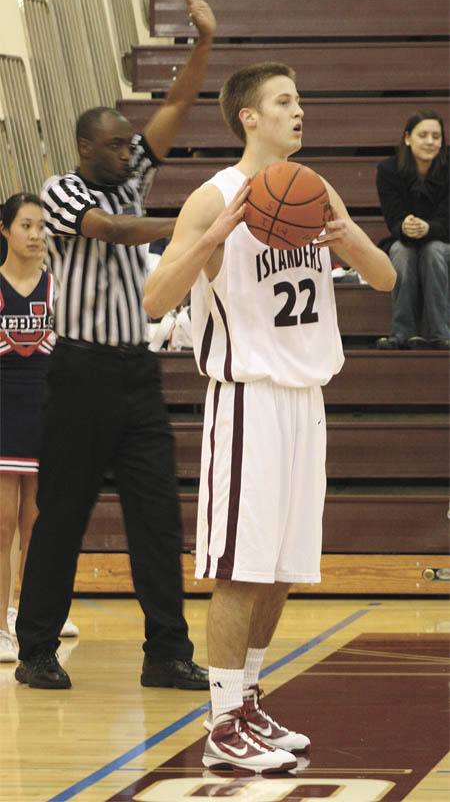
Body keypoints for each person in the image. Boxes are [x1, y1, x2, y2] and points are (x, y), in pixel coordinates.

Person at [143, 62, 396, 773]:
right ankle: (222, 725)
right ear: (248, 117)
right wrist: (211, 236)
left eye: (300, 100)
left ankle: (247, 699)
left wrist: (348, 239)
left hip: (306, 398)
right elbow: (155, 300)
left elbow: (385, 278)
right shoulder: (213, 196)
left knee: (281, 570)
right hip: (249, 397)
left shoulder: (310, 192)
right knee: (241, 569)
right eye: (285, 101)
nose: (300, 110)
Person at [15, 0, 215, 690]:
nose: (128, 151)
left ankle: (166, 652)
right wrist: (194, 224)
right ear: (82, 147)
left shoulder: (129, 174)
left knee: (157, 517)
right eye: (113, 145)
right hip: (78, 374)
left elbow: (179, 104)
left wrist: (205, 41)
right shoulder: (64, 191)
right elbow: (116, 231)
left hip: (135, 374)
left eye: (128, 143)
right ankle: (36, 647)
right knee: (63, 514)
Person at [0, 194, 77, 664]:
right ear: (5, 230)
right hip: (3, 409)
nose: (35, 234)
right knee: (3, 522)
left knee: (38, 523)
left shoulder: (57, 287)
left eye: (40, 227)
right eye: (25, 225)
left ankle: (30, 612)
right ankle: (0, 623)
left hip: (47, 409)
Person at [376, 109, 449, 350]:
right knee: (401, 252)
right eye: (423, 135)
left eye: (436, 136)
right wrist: (405, 226)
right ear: (407, 138)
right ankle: (402, 334)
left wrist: (429, 227)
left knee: (434, 252)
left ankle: (441, 333)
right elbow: (393, 218)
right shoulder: (388, 170)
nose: (430, 141)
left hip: (442, 239)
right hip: (405, 240)